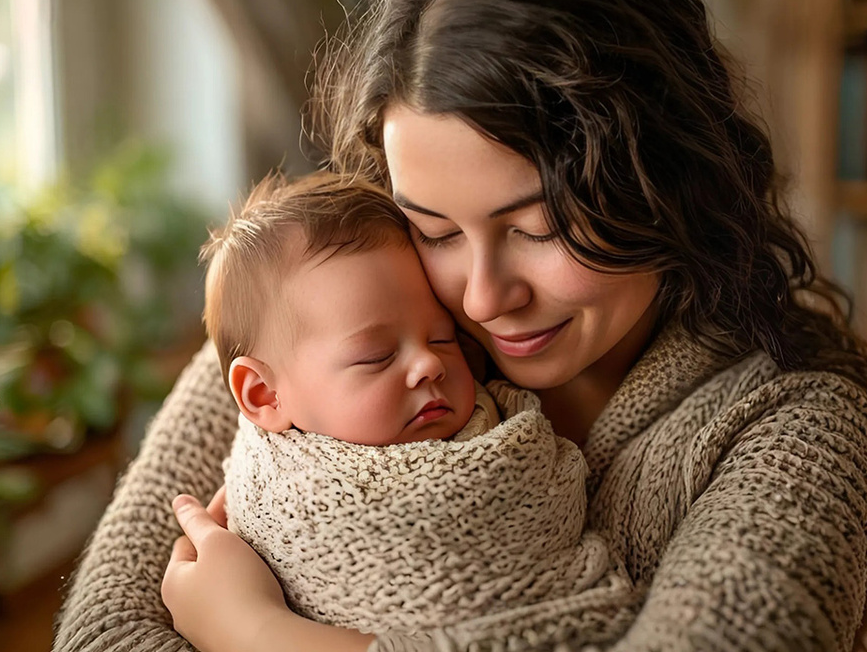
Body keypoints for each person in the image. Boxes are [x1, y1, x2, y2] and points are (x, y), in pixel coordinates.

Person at [53, 0, 867, 652]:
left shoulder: (799, 429)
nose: (479, 300)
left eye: (537, 229)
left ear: (664, 179)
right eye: (433, 229)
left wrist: (260, 635)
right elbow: (103, 631)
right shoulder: (322, 318)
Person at [203, 170, 636, 644]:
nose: (430, 363)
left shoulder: (510, 435)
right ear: (263, 395)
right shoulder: (277, 491)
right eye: (377, 356)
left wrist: (253, 630)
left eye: (443, 337)